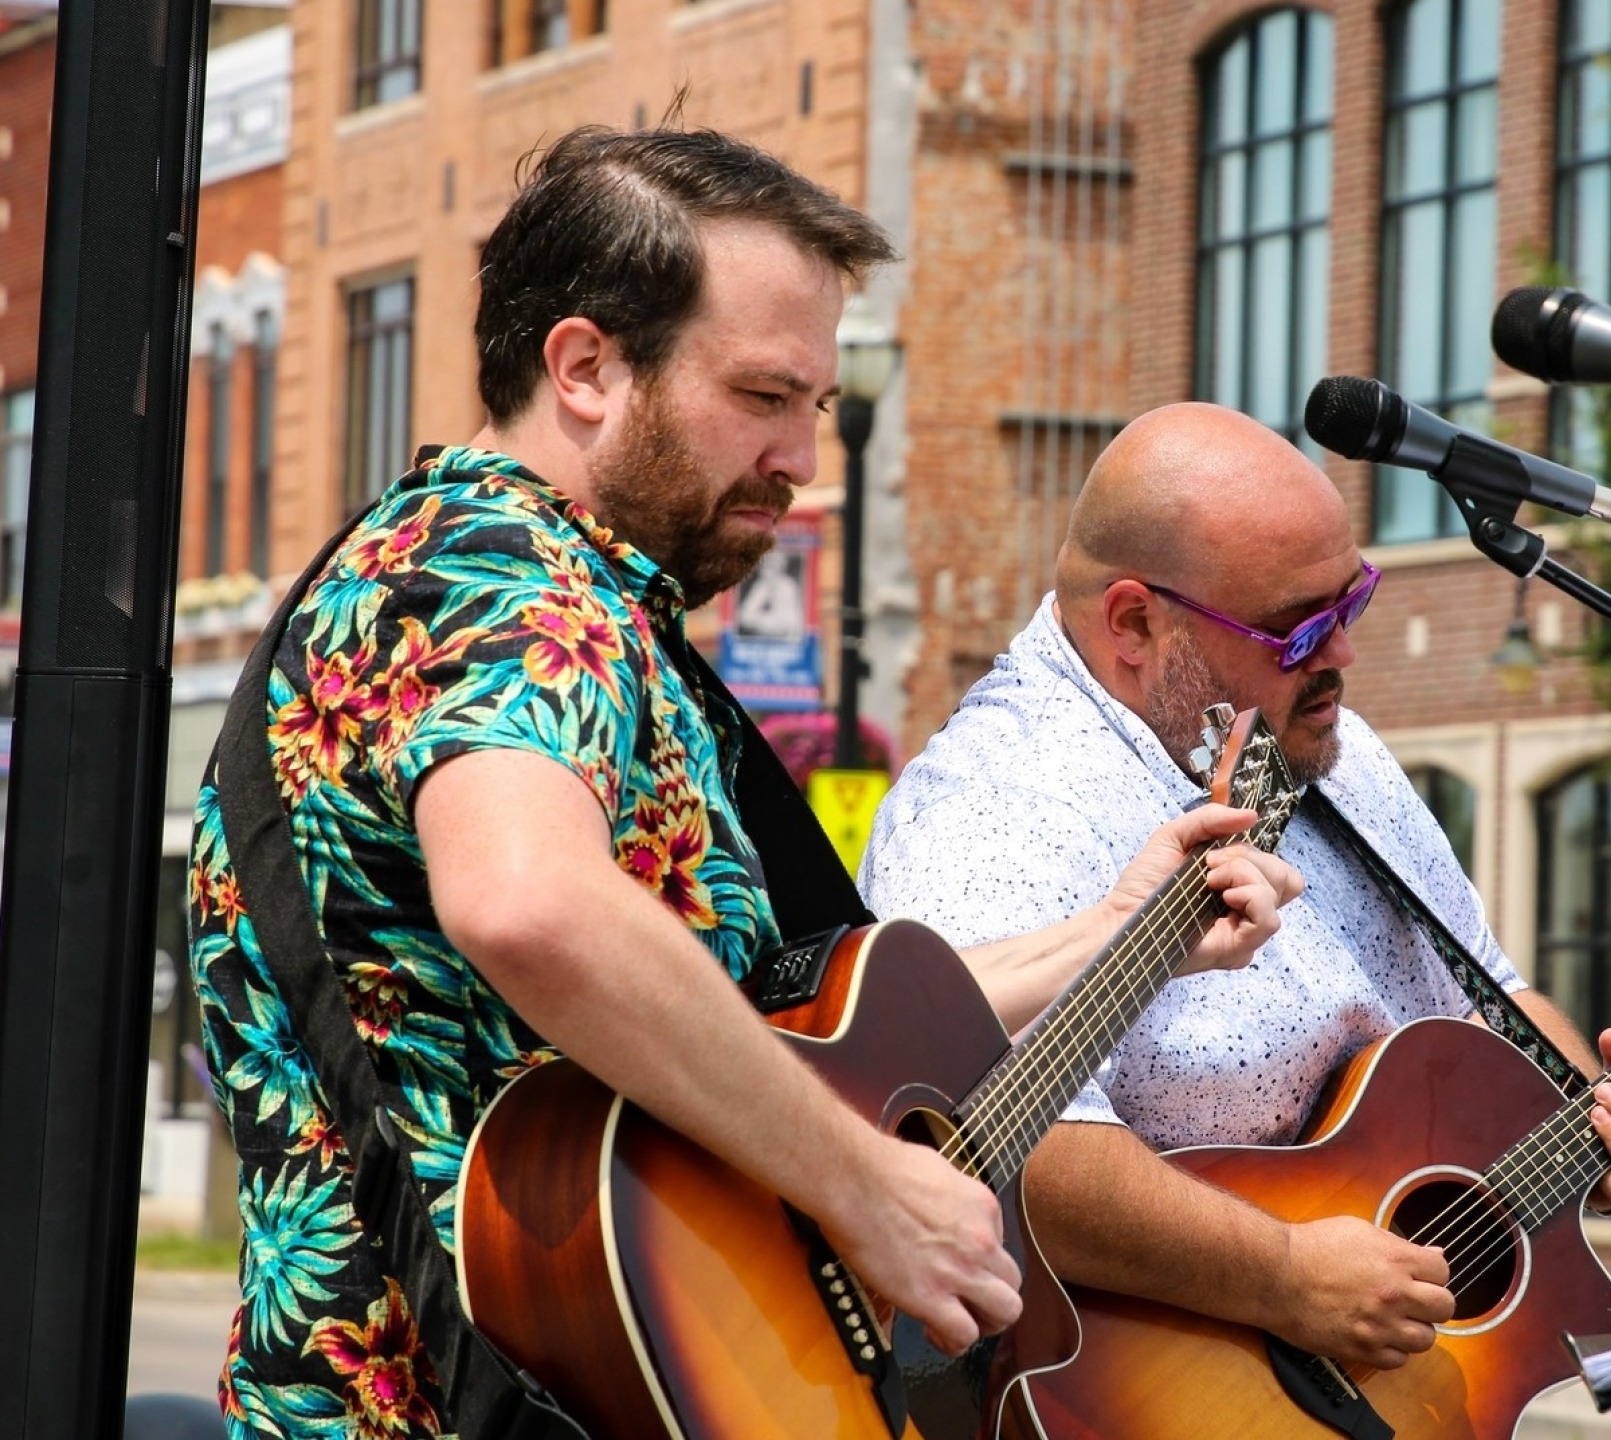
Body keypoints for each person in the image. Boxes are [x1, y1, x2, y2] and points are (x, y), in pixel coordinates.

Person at [186, 131, 1298, 1436]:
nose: (802, 458)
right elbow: (532, 905)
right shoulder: (492, 576)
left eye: (818, 408)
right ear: (588, 369)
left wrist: (1117, 937)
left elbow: (786, 1033)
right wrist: (868, 1194)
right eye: (764, 397)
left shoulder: (571, 598)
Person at [860, 400, 1611, 1372]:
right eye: (1299, 631)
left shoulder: (1326, 747)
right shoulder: (994, 802)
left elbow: (1490, 998)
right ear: (1136, 623)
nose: (1342, 654)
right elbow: (1004, 1146)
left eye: (1354, 603)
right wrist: (1286, 1274)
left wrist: (1598, 1114)